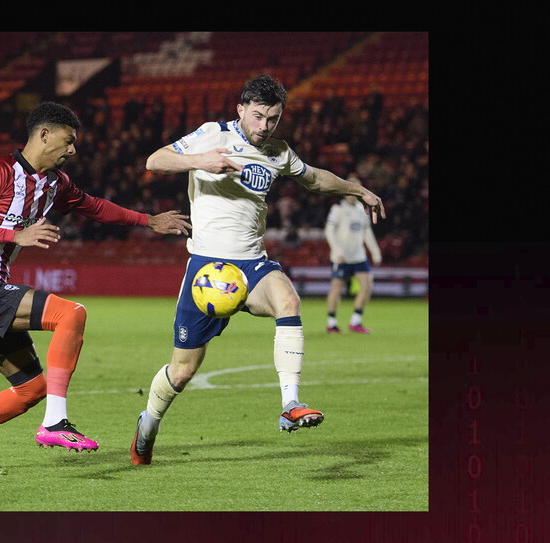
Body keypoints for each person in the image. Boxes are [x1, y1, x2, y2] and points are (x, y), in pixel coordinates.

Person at [130, 74, 386, 465]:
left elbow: (314, 178)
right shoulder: (212, 134)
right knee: (181, 372)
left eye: (273, 119)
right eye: (258, 116)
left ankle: (290, 404)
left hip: (252, 265)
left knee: (289, 301)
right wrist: (201, 160)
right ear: (241, 109)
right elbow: (155, 160)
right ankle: (148, 423)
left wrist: (358, 190)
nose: (264, 126)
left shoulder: (278, 152)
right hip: (207, 270)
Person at [0, 101, 192, 471]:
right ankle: (55, 422)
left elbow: (94, 206)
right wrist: (15, 235)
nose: (73, 149)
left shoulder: (56, 183)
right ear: (44, 135)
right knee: (71, 314)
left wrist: (147, 220)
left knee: (31, 389)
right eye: (68, 140)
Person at [324, 176, 383, 334]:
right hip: (341, 258)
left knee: (367, 286)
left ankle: (355, 321)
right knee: (336, 289)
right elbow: (329, 231)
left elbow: (367, 232)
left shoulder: (362, 209)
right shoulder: (337, 209)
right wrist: (337, 251)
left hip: (358, 256)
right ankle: (331, 323)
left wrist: (375, 252)